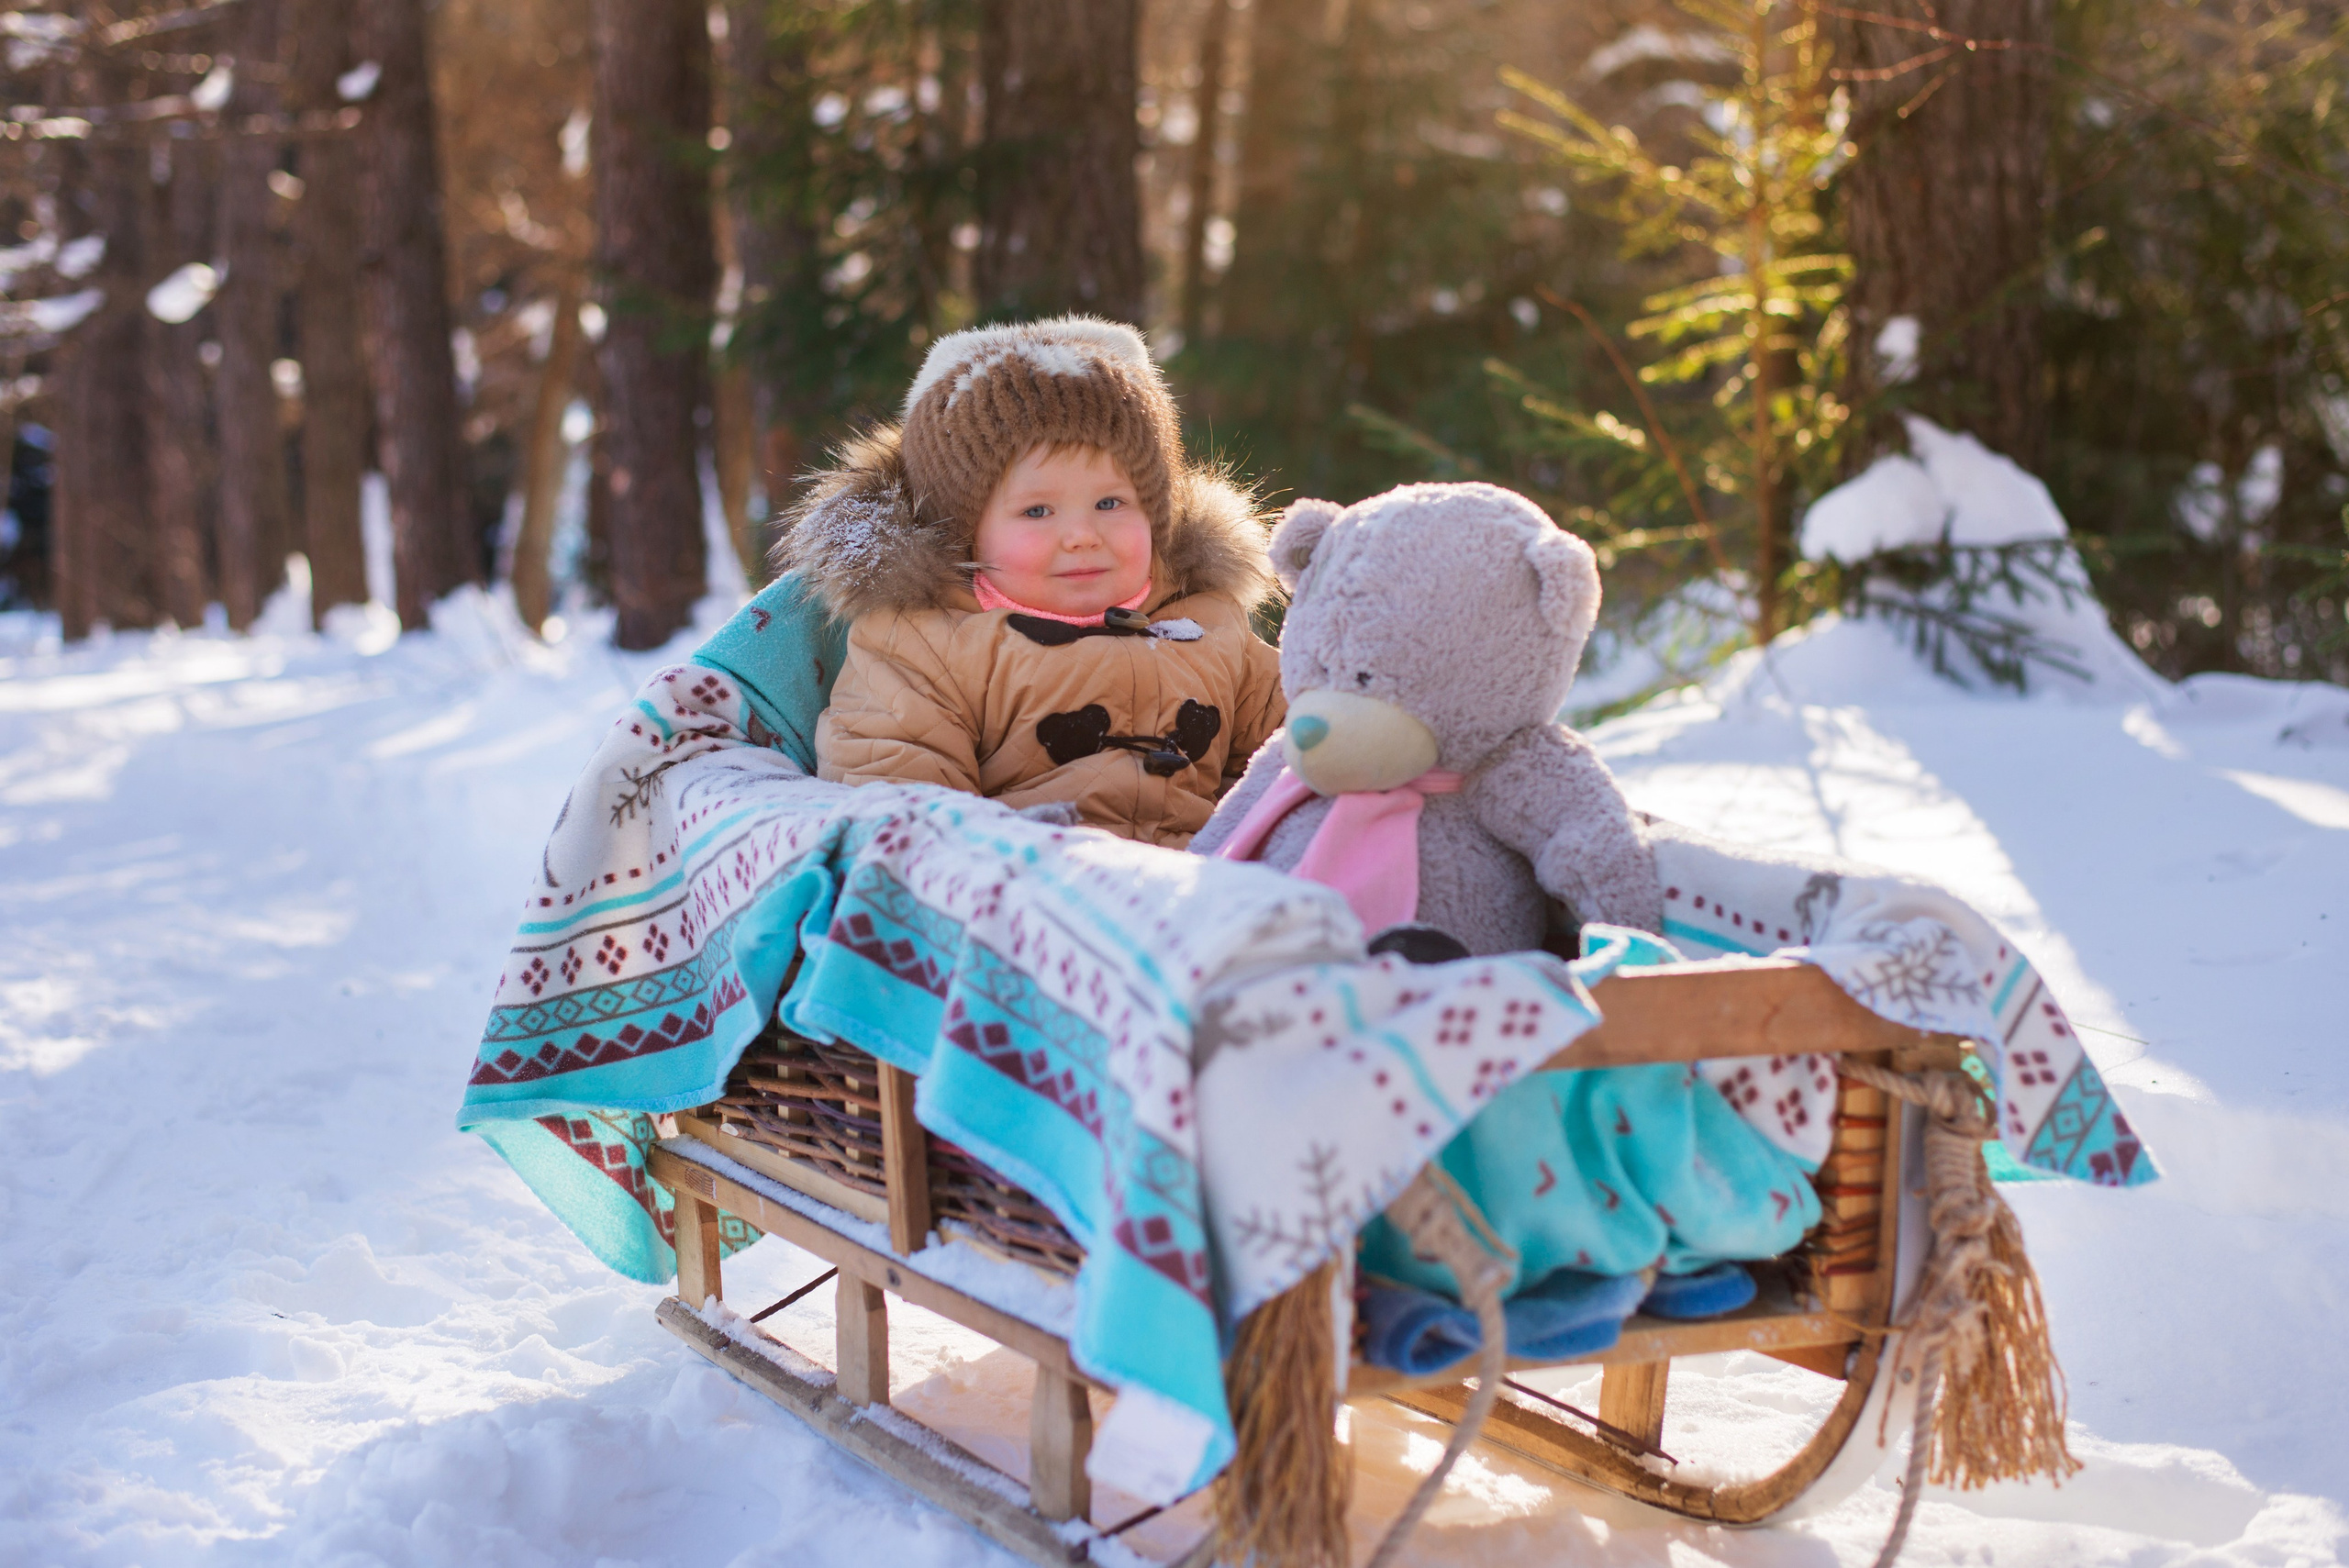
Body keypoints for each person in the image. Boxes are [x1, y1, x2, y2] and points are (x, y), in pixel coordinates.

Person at [774, 317, 1285, 847]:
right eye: (1037, 511)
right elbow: (898, 803)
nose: (1082, 535)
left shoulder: (1210, 623)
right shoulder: (925, 647)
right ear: (965, 534)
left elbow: (1296, 749)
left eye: (1110, 503)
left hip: (1206, 896)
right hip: (1018, 897)